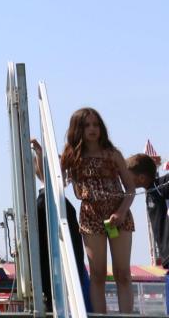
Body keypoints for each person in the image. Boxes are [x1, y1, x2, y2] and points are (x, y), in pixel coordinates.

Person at [60, 107, 135, 314]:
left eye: (96, 125)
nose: (92, 129)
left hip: (118, 215)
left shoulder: (113, 154)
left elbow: (130, 188)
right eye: (87, 125)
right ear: (78, 129)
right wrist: (39, 153)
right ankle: (99, 314)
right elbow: (51, 177)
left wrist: (120, 213)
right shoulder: (72, 156)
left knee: (122, 273)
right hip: (91, 216)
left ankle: (126, 314)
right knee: (97, 273)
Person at [31, 138, 92, 311]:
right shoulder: (47, 204)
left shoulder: (57, 204)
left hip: (59, 273)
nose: (66, 175)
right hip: (56, 275)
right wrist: (40, 154)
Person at [126, 153, 169, 312]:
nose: (126, 180)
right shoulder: (152, 189)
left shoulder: (160, 188)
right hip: (166, 257)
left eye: (128, 177)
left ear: (142, 178)